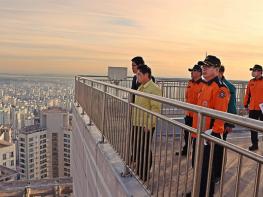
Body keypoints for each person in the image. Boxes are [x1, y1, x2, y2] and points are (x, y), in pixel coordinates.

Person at [187, 55, 230, 197]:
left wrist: (211, 135)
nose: (204, 68)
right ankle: (196, 192)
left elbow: (220, 116)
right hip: (198, 133)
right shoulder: (204, 85)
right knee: (197, 166)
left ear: (217, 70)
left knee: (206, 171)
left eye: (208, 66)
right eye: (203, 66)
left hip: (208, 137)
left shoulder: (220, 89)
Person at [132, 64, 161, 182]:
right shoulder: (141, 87)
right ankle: (139, 170)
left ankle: (144, 173)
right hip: (137, 123)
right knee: (137, 148)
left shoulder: (154, 89)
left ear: (146, 75)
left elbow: (155, 108)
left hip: (145, 125)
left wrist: (149, 125)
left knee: (144, 148)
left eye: (139, 74)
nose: (137, 76)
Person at [176, 63, 204, 156]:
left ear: (199, 73)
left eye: (194, 71)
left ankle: (197, 152)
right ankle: (186, 150)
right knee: (187, 133)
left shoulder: (203, 85)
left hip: (197, 115)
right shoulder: (190, 83)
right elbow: (187, 96)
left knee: (196, 135)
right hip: (188, 113)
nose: (192, 73)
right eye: (191, 71)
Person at [244, 64, 263, 151]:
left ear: (260, 72)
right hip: (253, 108)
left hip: (262, 108)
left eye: (254, 70)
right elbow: (247, 94)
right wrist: (245, 104)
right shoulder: (251, 82)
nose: (253, 72)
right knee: (253, 127)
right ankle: (254, 144)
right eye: (252, 70)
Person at [219, 65, 237, 140]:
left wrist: (230, 123)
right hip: (211, 118)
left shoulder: (229, 87)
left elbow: (232, 105)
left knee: (221, 141)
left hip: (223, 119)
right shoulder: (207, 84)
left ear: (221, 72)